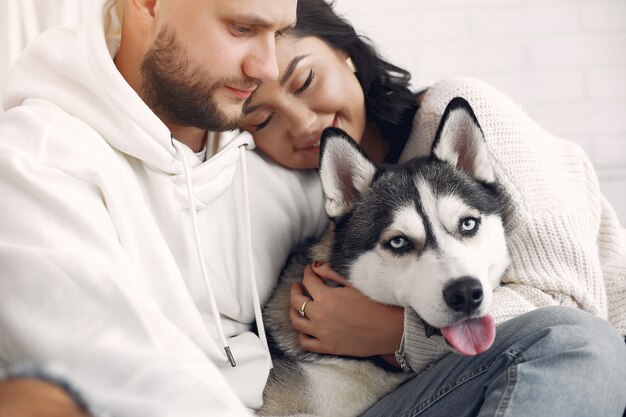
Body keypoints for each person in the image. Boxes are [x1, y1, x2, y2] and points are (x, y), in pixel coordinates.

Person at [240, 0, 626, 415]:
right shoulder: (305, 190)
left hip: (586, 363)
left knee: (579, 340)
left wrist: (398, 335)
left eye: (306, 81)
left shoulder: (458, 113)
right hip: (429, 390)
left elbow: (569, 309)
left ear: (345, 52)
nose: (302, 124)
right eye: (262, 119)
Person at [0, 0, 328, 415]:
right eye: (242, 28)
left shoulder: (262, 152)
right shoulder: (34, 162)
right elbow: (122, 374)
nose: (267, 68)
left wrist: (399, 336)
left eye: (278, 34)